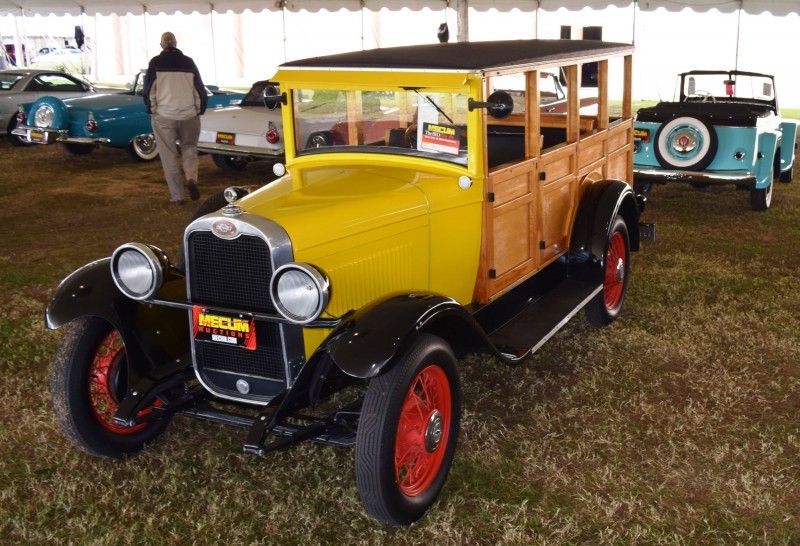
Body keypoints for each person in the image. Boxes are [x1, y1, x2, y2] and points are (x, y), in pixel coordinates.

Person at [143, 32, 207, 205]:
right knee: (189, 149)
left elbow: (149, 90)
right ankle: (192, 178)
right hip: (189, 115)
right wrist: (198, 110)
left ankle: (177, 196)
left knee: (168, 156)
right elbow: (199, 90)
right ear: (176, 44)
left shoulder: (155, 63)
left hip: (164, 115)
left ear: (162, 45)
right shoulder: (189, 62)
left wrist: (153, 110)